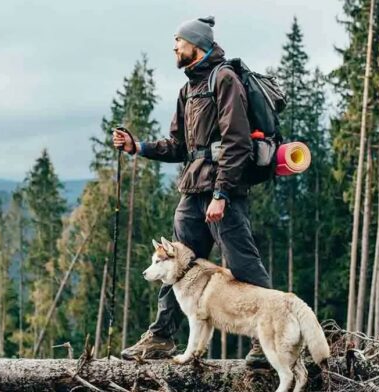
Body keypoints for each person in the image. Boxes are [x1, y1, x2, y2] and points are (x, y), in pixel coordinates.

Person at [112, 16, 272, 367]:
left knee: (243, 265)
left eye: (179, 41)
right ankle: (161, 338)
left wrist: (222, 194)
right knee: (175, 267)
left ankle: (266, 336)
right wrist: (137, 146)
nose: (174, 47)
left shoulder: (224, 79)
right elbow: (178, 146)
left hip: (222, 192)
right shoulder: (188, 90)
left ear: (196, 45)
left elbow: (237, 142)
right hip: (192, 190)